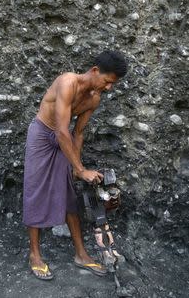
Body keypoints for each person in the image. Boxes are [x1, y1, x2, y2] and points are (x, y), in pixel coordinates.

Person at [22, 50, 128, 280]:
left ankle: (81, 254)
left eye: (113, 85)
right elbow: (61, 130)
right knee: (36, 191)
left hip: (65, 140)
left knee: (69, 194)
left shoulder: (94, 98)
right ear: (95, 71)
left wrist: (75, 169)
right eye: (107, 81)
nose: (109, 88)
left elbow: (77, 133)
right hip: (42, 134)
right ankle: (35, 255)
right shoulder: (67, 82)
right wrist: (80, 168)